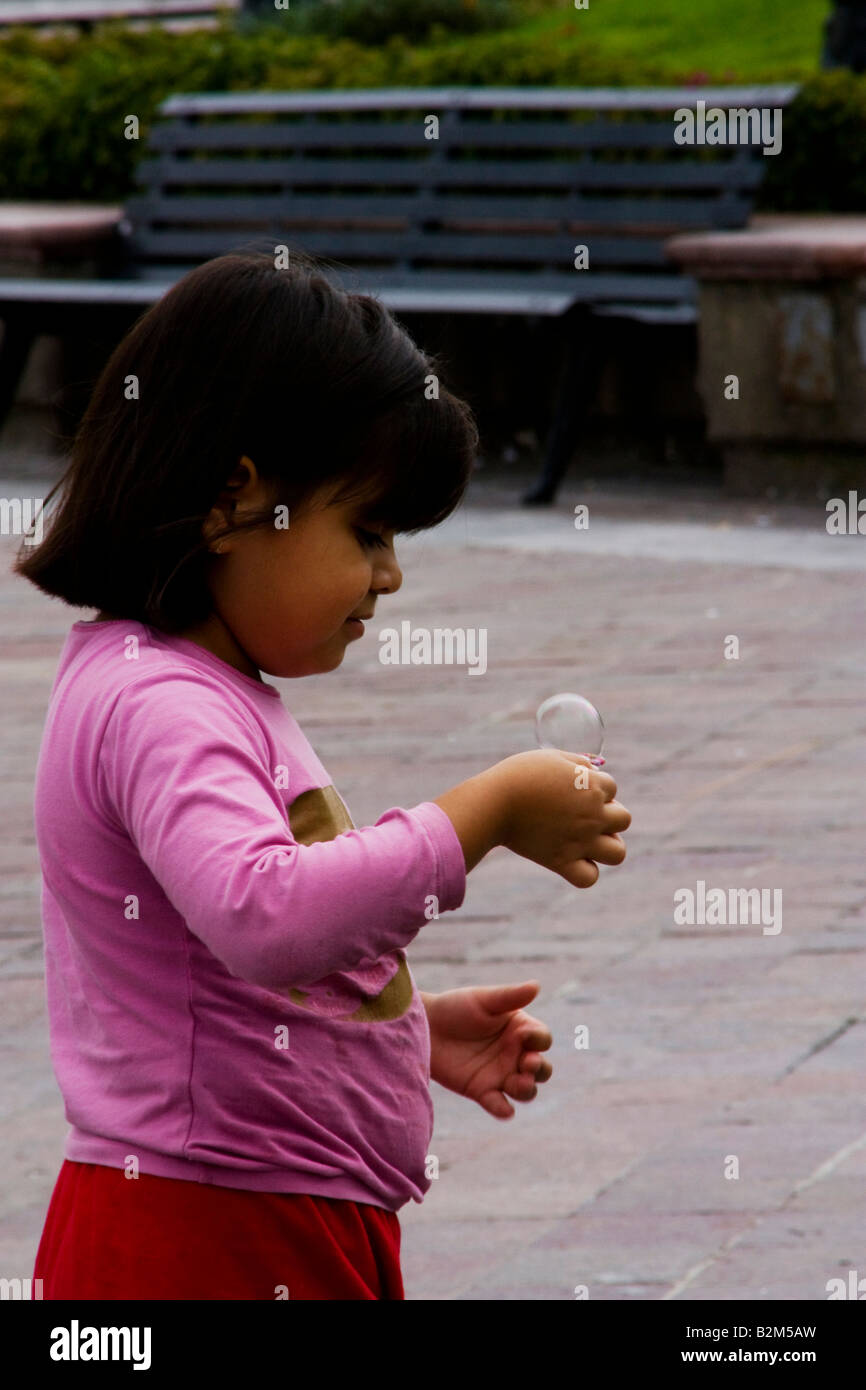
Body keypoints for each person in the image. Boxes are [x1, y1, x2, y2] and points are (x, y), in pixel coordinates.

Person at [15, 247, 631, 1300]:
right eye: (369, 530)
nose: (388, 576)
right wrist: (481, 813)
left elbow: (213, 967)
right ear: (230, 503)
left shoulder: (196, 684)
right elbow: (267, 913)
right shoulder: (158, 703)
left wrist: (396, 1027)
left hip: (252, 1210)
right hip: (205, 1235)